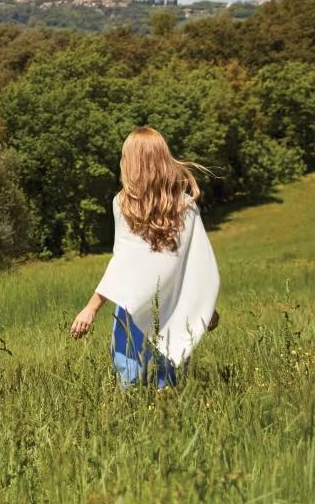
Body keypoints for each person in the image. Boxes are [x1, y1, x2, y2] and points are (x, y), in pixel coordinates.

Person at [69, 127, 221, 388]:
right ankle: (160, 417)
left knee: (138, 374)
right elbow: (195, 265)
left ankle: (141, 420)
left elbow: (193, 260)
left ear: (132, 163)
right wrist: (204, 307)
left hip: (140, 303)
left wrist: (92, 307)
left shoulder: (174, 206)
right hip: (163, 303)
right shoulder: (132, 204)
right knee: (162, 372)